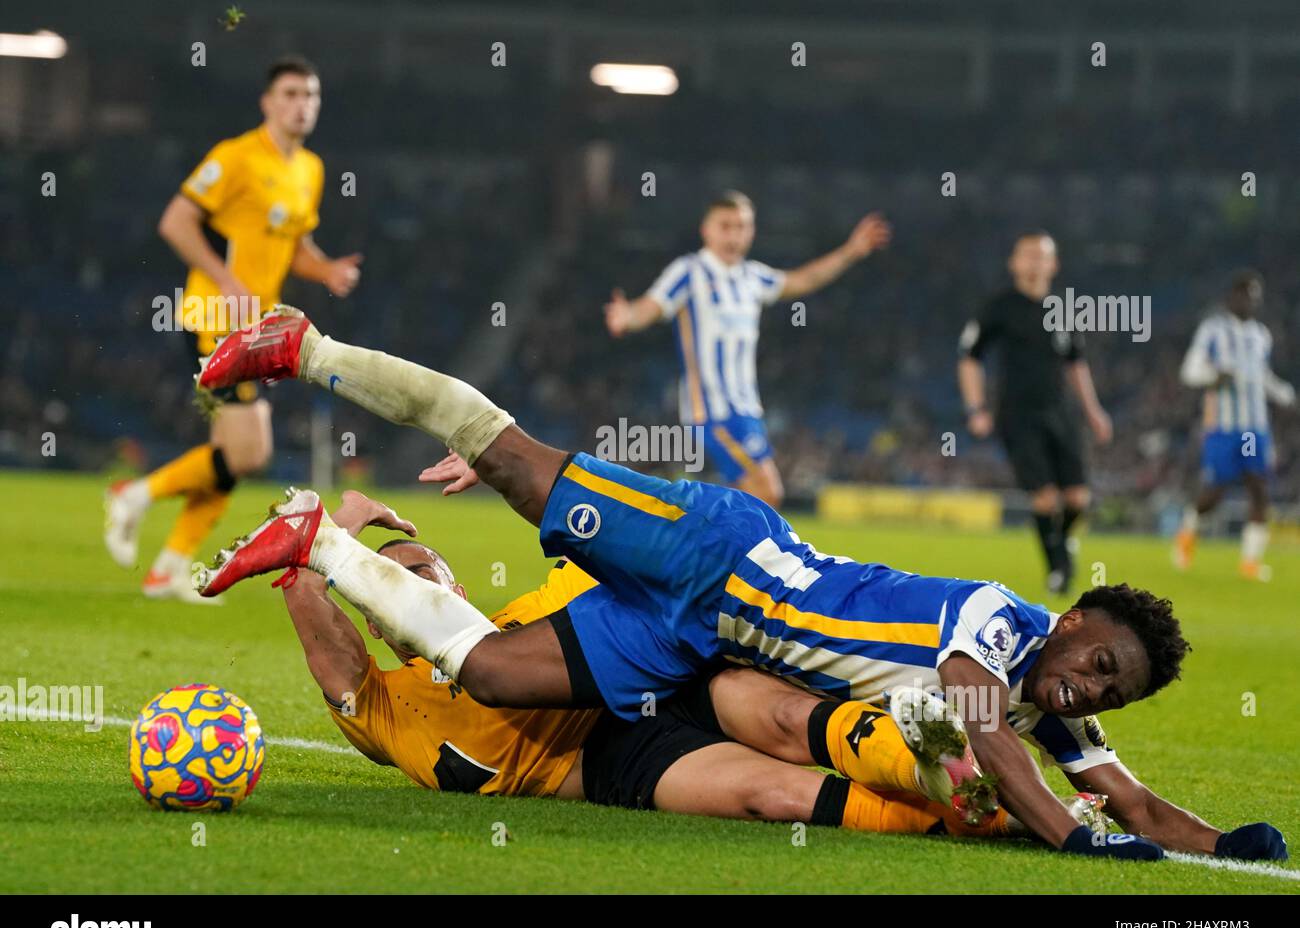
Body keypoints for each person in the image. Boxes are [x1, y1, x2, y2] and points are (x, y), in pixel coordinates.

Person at [194, 306, 1286, 864]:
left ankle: (314, 548)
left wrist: (1216, 843)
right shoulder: (1000, 629)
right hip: (719, 556)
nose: (1090, 692)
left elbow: (1130, 797)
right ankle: (308, 347)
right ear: (1078, 619)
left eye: (1110, 694)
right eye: (1099, 664)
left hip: (687, 642)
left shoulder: (1042, 697)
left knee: (486, 673)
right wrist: (1076, 837)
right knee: (511, 457)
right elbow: (983, 732)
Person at [282, 490, 1043, 837]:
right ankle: (974, 812)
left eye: (424, 572)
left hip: (668, 688)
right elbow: (316, 617)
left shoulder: (534, 617)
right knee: (772, 796)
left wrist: (511, 474)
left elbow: (623, 527)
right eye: (392, 587)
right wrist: (337, 525)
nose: (414, 585)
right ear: (378, 625)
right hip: (611, 757)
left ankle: (942, 766)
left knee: (776, 713)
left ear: (458, 585)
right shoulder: (386, 707)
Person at [103, 56, 362, 602]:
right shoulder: (236, 157)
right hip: (216, 320)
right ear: (267, 102)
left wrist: (326, 268)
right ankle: (133, 495)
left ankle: (168, 567)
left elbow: (294, 247)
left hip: (258, 328)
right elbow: (175, 221)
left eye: (310, 95)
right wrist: (224, 280)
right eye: (290, 93)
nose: (301, 104)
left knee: (233, 457)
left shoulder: (308, 169)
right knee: (248, 452)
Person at [604, 190, 891, 506]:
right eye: (725, 226)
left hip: (747, 410)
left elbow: (803, 280)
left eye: (741, 226)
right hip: (712, 412)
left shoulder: (752, 277)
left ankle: (697, 542)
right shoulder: (690, 271)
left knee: (749, 502)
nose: (734, 235)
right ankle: (684, 540)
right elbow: (652, 305)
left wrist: (851, 250)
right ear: (706, 230)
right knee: (766, 493)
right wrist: (627, 316)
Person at [957, 231, 1112, 594]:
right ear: (1013, 263)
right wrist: (976, 407)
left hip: (1061, 413)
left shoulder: (1063, 310)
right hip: (1018, 415)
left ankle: (1062, 543)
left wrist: (1093, 411)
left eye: (1041, 256)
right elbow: (969, 358)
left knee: (1078, 498)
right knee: (1044, 497)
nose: (1033, 262)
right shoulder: (998, 307)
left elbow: (1076, 364)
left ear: (1053, 264)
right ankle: (1058, 568)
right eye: (1026, 255)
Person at [1173, 270, 1296, 581]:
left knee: (1258, 486)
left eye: (1256, 296)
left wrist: (1284, 394)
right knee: (1215, 491)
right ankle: (1188, 533)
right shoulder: (1213, 329)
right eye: (1245, 294)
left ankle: (1250, 562)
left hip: (1253, 429)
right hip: (1224, 427)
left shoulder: (1261, 335)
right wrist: (1214, 376)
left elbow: (1262, 376)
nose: (1251, 301)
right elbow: (1190, 370)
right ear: (1232, 297)